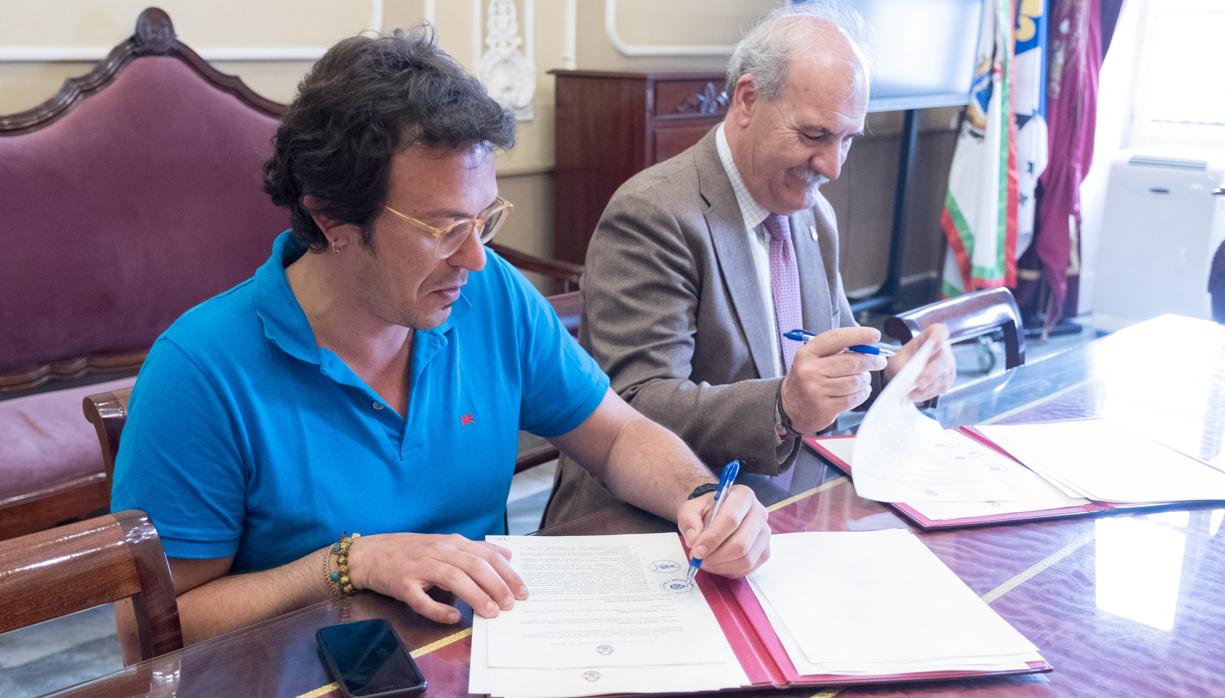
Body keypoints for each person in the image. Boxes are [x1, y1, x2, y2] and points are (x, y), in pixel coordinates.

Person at [110, 27, 770, 656]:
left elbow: (620, 436)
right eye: (443, 227)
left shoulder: (493, 297)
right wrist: (349, 563)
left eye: (485, 218)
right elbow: (157, 632)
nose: (475, 258)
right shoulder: (201, 371)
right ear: (330, 217)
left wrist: (700, 499)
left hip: (481, 659)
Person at [544, 2, 956, 526]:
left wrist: (896, 370)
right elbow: (636, 408)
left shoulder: (814, 218)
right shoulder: (654, 213)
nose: (832, 166)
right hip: (654, 519)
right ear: (746, 100)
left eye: (847, 139)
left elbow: (832, 360)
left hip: (776, 503)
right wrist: (783, 407)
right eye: (814, 136)